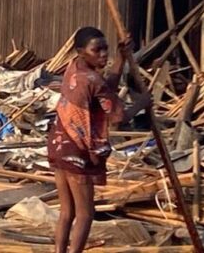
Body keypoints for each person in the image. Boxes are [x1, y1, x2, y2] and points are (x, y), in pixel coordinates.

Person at [47, 27, 150, 253]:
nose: (103, 54)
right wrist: (142, 104)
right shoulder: (92, 79)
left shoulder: (75, 68)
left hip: (58, 144)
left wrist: (120, 59)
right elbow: (118, 118)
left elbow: (105, 92)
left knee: (67, 213)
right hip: (76, 151)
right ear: (82, 51)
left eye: (106, 49)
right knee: (85, 214)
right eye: (97, 50)